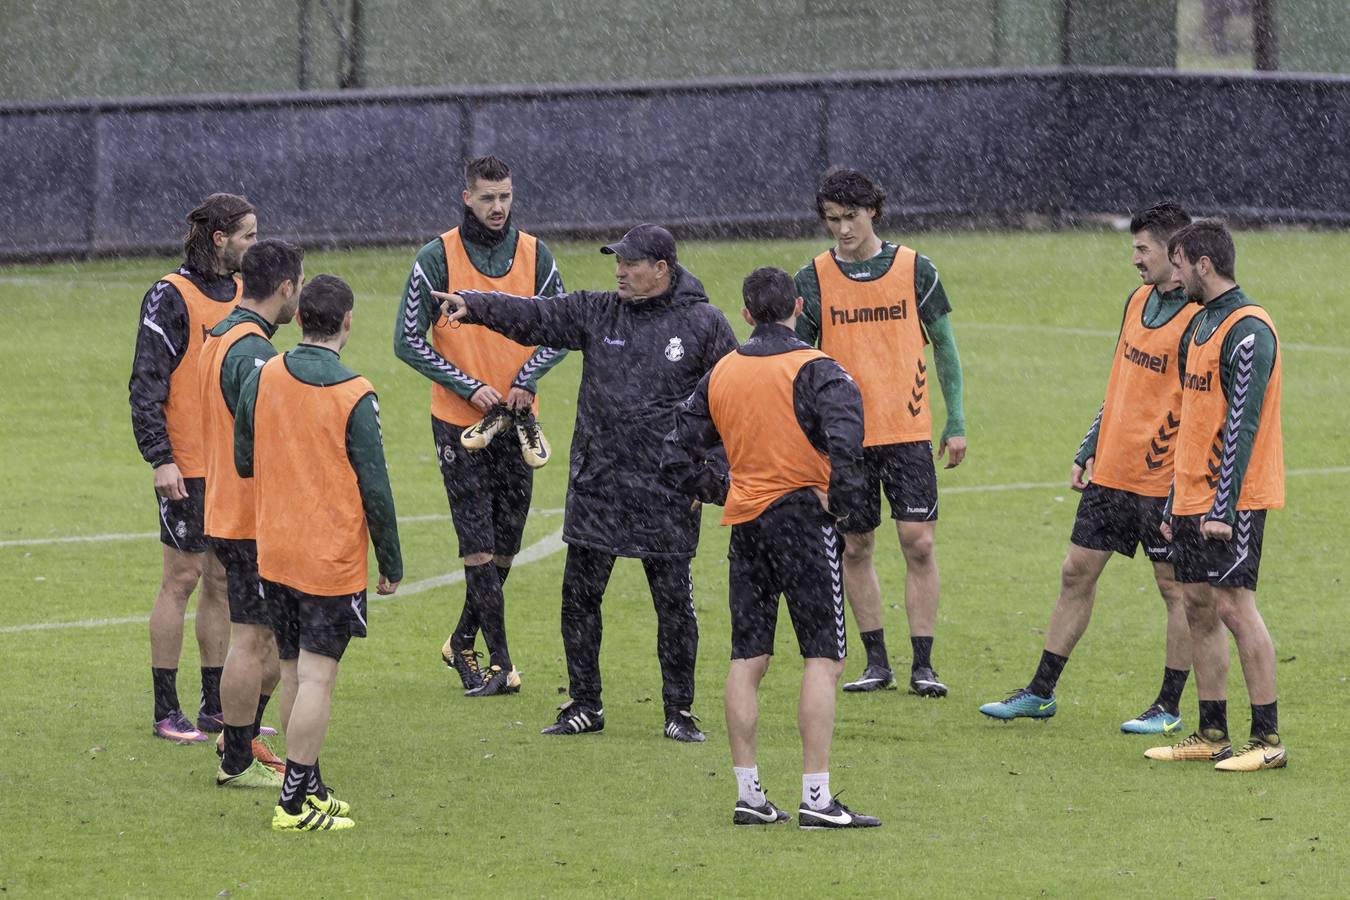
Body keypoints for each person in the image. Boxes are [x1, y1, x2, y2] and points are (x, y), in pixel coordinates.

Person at [436, 224, 738, 741]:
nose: (618, 270)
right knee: (579, 599)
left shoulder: (704, 323)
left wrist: (713, 476)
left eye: (630, 263)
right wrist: (474, 303)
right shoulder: (599, 312)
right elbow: (535, 316)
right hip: (598, 486)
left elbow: (732, 402)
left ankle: (679, 711)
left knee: (673, 606)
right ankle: (584, 703)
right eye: (616, 261)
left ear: (661, 269)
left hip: (666, 492)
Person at [663, 267, 880, 829]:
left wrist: (723, 488)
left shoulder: (722, 374)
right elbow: (848, 444)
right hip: (805, 522)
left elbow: (673, 455)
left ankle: (749, 793)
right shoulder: (819, 370)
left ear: (745, 314)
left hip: (747, 524)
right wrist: (843, 506)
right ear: (799, 308)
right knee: (824, 657)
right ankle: (816, 796)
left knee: (747, 658)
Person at [979, 203, 1201, 733]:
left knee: (1175, 590)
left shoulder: (1200, 320)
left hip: (1163, 481)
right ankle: (1039, 693)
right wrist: (1090, 444)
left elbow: (1201, 409)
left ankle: (1168, 707)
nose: (1134, 260)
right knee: (1075, 572)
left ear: (1175, 253)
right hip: (1111, 474)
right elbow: (1119, 380)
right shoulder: (1136, 301)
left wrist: (1183, 480)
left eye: (1142, 249)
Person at [394, 155, 568, 697]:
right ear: (466, 197)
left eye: (506, 196)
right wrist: (467, 385)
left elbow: (563, 328)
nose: (498, 207)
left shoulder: (536, 255)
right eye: (488, 197)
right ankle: (501, 664)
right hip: (457, 425)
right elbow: (408, 341)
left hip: (518, 422)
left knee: (506, 549)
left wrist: (527, 378)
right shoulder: (436, 257)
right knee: (475, 544)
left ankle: (460, 639)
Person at [235, 274, 404, 831]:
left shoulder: (265, 375)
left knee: (290, 670)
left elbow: (243, 456)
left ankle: (307, 787)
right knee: (316, 679)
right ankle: (290, 808)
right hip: (327, 558)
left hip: (275, 549)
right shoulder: (356, 393)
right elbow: (375, 487)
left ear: (301, 316)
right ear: (348, 321)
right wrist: (392, 561)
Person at [793, 169, 967, 696]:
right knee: (856, 545)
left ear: (873, 211)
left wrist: (956, 420)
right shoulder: (812, 279)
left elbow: (945, 347)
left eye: (851, 216)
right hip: (844, 440)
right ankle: (876, 662)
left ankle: (924, 664)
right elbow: (798, 365)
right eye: (832, 219)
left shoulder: (916, 269)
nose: (842, 229)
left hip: (907, 432)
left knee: (918, 543)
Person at [1144, 220, 1286, 772]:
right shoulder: (1197, 325)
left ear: (1204, 264)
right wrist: (1173, 498)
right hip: (1190, 497)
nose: (1170, 271)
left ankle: (1268, 737)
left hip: (1235, 498)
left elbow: (1242, 427)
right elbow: (1190, 419)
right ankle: (1211, 732)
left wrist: (1222, 509)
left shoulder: (1249, 330)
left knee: (1233, 606)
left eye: (1177, 262)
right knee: (1197, 606)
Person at [129, 193, 256, 742]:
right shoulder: (169, 296)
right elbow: (145, 384)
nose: (256, 243)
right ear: (220, 238)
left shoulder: (248, 293)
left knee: (222, 581)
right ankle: (165, 710)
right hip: (186, 464)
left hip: (234, 467)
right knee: (180, 579)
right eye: (248, 234)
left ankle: (214, 707)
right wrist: (160, 457)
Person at [200, 239, 305, 789]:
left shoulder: (223, 334)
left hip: (226, 506)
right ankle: (236, 760)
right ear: (286, 288)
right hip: (250, 517)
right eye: (300, 286)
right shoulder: (253, 354)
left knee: (262, 639)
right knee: (252, 641)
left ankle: (241, 739)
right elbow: (267, 440)